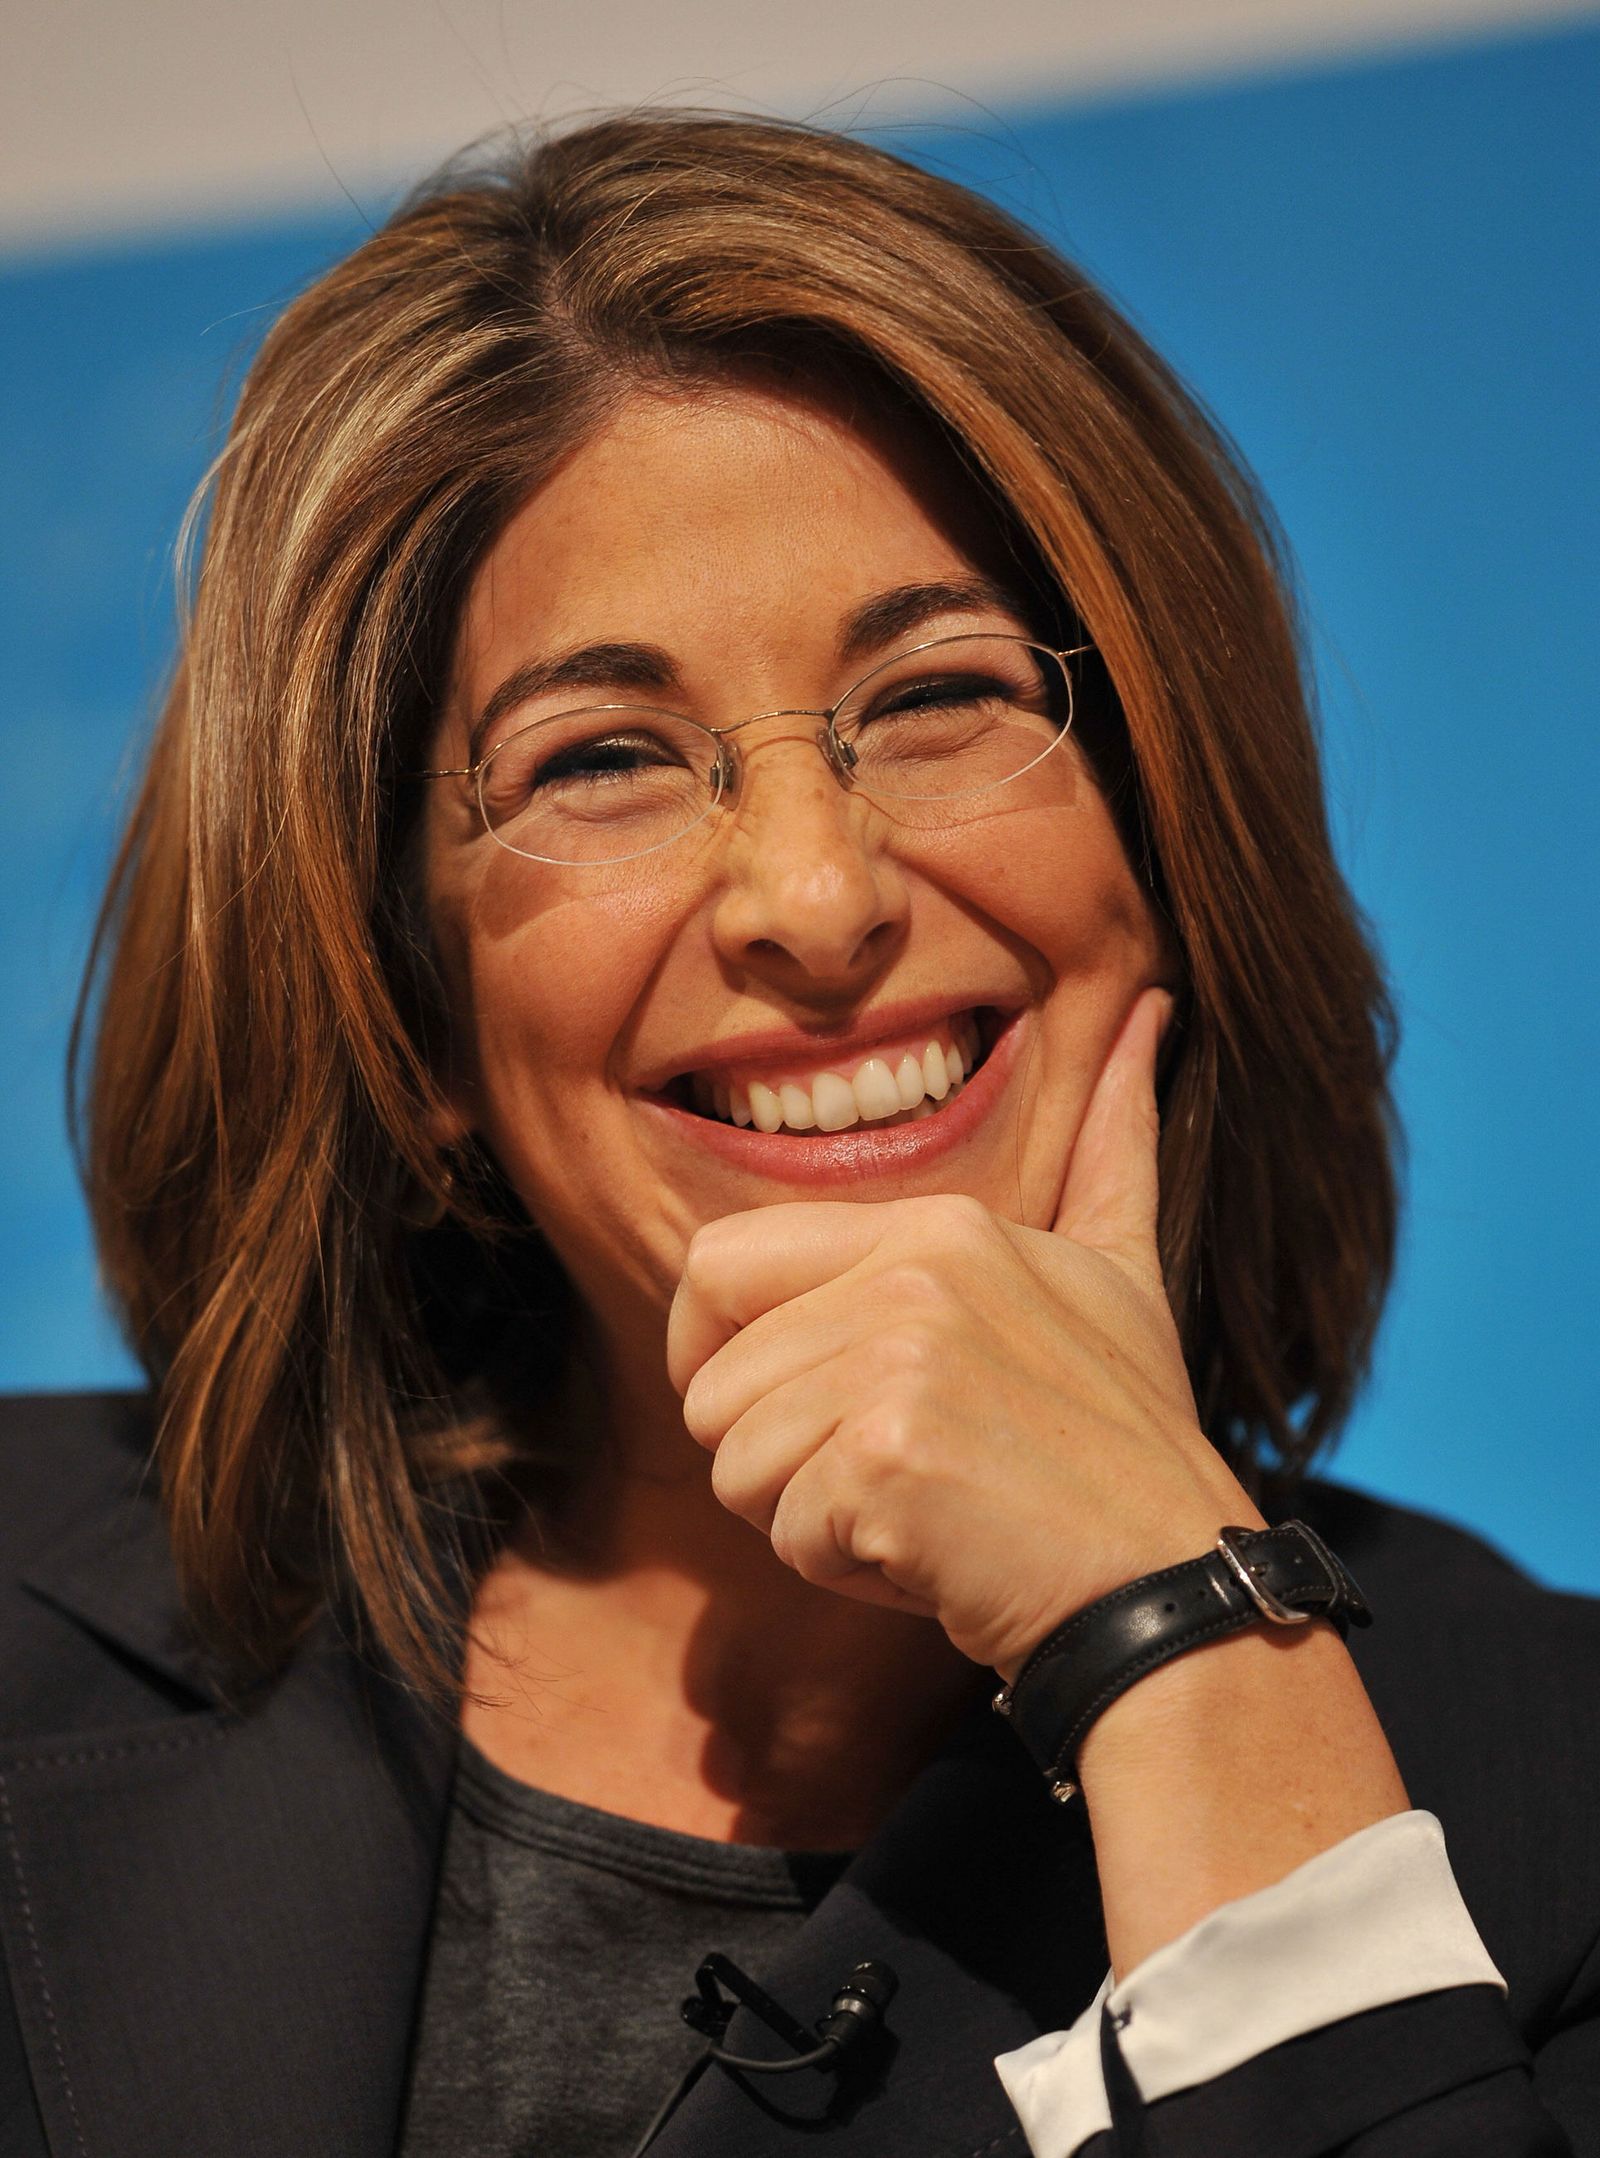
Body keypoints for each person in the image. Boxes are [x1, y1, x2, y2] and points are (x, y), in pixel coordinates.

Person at [0, 110, 1595, 2158]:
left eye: (936, 696)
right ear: (402, 1005)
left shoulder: (1549, 1797)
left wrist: (1179, 1632)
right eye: (599, 757)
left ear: (1168, 844)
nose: (815, 897)